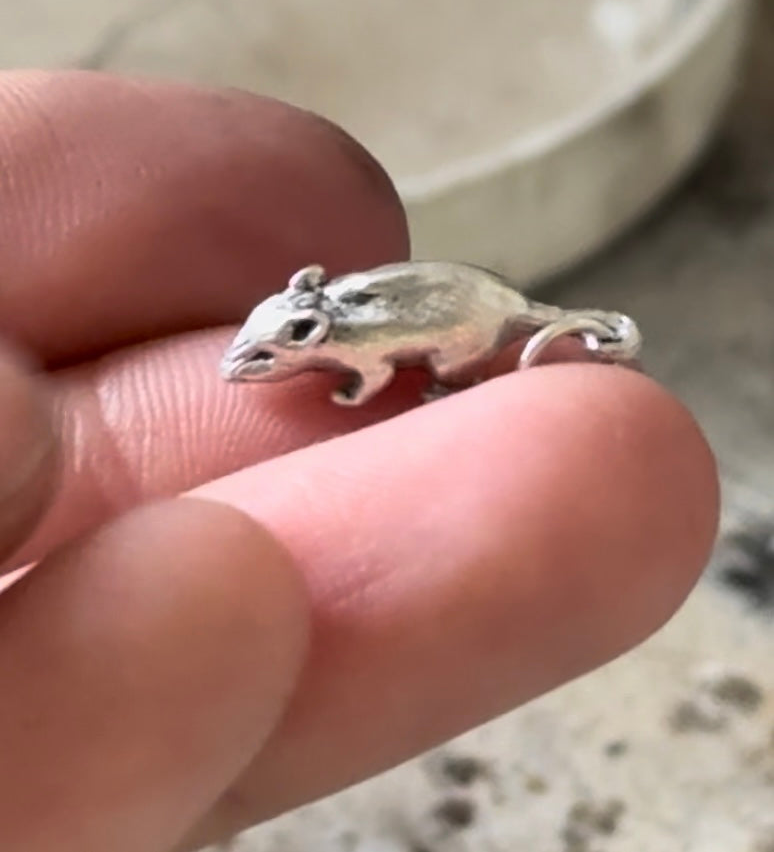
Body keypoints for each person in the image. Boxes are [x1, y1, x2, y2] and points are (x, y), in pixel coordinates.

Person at [0, 71, 718, 851]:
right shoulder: (314, 317)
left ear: (310, 336)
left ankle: (453, 388)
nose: (248, 365)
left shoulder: (352, 343)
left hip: (467, 320)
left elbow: (374, 370)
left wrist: (351, 397)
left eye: (265, 355)